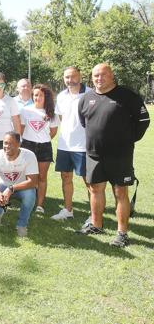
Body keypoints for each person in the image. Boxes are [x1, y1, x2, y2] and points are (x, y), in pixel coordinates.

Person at [77, 63, 150, 247]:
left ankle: (122, 233)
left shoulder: (128, 96)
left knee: (120, 192)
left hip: (120, 156)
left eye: (103, 75)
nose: (99, 79)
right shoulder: (86, 98)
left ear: (112, 76)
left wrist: (128, 140)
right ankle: (96, 224)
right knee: (95, 189)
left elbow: (143, 121)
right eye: (95, 76)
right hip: (94, 155)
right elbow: (85, 123)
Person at [51, 66, 91, 222]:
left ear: (80, 77)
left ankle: (93, 215)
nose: (70, 80)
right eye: (67, 77)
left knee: (89, 181)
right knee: (65, 177)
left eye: (73, 77)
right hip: (64, 145)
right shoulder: (61, 96)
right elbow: (62, 119)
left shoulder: (90, 94)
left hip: (84, 146)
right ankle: (68, 210)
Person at [0, 132, 39, 237]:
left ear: (19, 144)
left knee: (30, 195)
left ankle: (22, 224)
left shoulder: (29, 155)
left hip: (23, 187)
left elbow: (33, 181)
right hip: (2, 185)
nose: (7, 146)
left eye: (11, 143)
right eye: (5, 143)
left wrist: (11, 189)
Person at [20, 84, 58, 214]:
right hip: (27, 145)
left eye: (41, 95)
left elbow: (53, 132)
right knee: (28, 176)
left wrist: (41, 139)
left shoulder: (51, 112)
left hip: (44, 147)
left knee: (42, 177)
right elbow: (21, 128)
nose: (38, 97)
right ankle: (27, 202)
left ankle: (39, 205)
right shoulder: (26, 110)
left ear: (46, 97)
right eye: (35, 95)